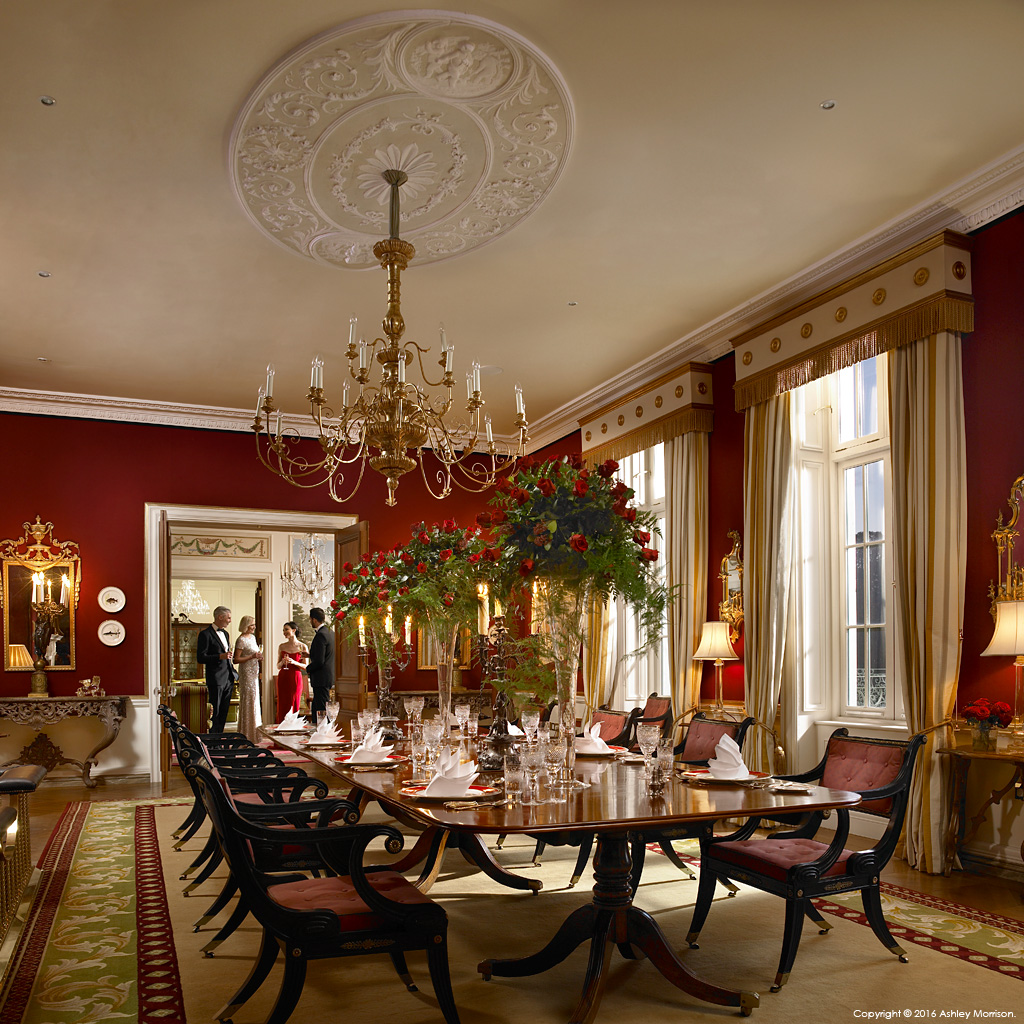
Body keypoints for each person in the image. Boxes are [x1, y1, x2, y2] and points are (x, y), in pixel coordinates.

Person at [196, 606, 237, 733]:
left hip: (228, 678)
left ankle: (219, 738)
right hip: (216, 679)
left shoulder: (225, 634)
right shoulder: (205, 634)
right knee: (215, 712)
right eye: (228, 618)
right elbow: (200, 657)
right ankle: (213, 740)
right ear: (220, 617)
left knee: (224, 711)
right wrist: (220, 656)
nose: (230, 620)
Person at [232, 614, 264, 742]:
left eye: (254, 624)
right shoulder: (241, 640)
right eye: (252, 625)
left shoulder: (253, 638)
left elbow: (255, 654)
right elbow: (236, 659)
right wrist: (252, 657)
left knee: (255, 701)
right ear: (245, 625)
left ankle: (254, 734)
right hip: (246, 674)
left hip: (255, 672)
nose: (254, 627)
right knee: (249, 701)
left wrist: (258, 657)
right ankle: (245, 734)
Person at [306, 607, 335, 723]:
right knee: (321, 708)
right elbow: (326, 654)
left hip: (321, 678)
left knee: (320, 710)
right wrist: (309, 655)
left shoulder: (320, 635)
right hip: (328, 676)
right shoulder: (331, 632)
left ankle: (321, 736)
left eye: (310, 619)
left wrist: (308, 669)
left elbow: (319, 661)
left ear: (314, 619)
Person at [276, 621, 308, 721]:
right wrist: (282, 661)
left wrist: (294, 662)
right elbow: (278, 666)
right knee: (283, 703)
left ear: (294, 630)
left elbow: (306, 666)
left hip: (295, 678)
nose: (284, 632)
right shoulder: (282, 646)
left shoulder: (302, 646)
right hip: (283, 677)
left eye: (286, 629)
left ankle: (292, 727)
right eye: (283, 630)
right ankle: (281, 727)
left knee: (293, 702)